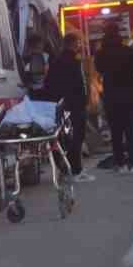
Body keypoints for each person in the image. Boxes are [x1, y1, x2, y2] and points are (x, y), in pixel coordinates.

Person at [94, 22, 133, 174]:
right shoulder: (130, 51)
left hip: (111, 96)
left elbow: (100, 70)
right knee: (130, 131)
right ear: (119, 34)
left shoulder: (100, 54)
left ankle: (120, 163)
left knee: (116, 132)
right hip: (129, 95)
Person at [41, 32, 93, 181]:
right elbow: (80, 84)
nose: (80, 45)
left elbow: (50, 85)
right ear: (73, 43)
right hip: (75, 106)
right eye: (79, 43)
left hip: (62, 106)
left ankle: (65, 168)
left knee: (64, 139)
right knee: (76, 138)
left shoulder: (56, 62)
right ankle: (75, 170)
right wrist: (84, 101)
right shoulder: (74, 62)